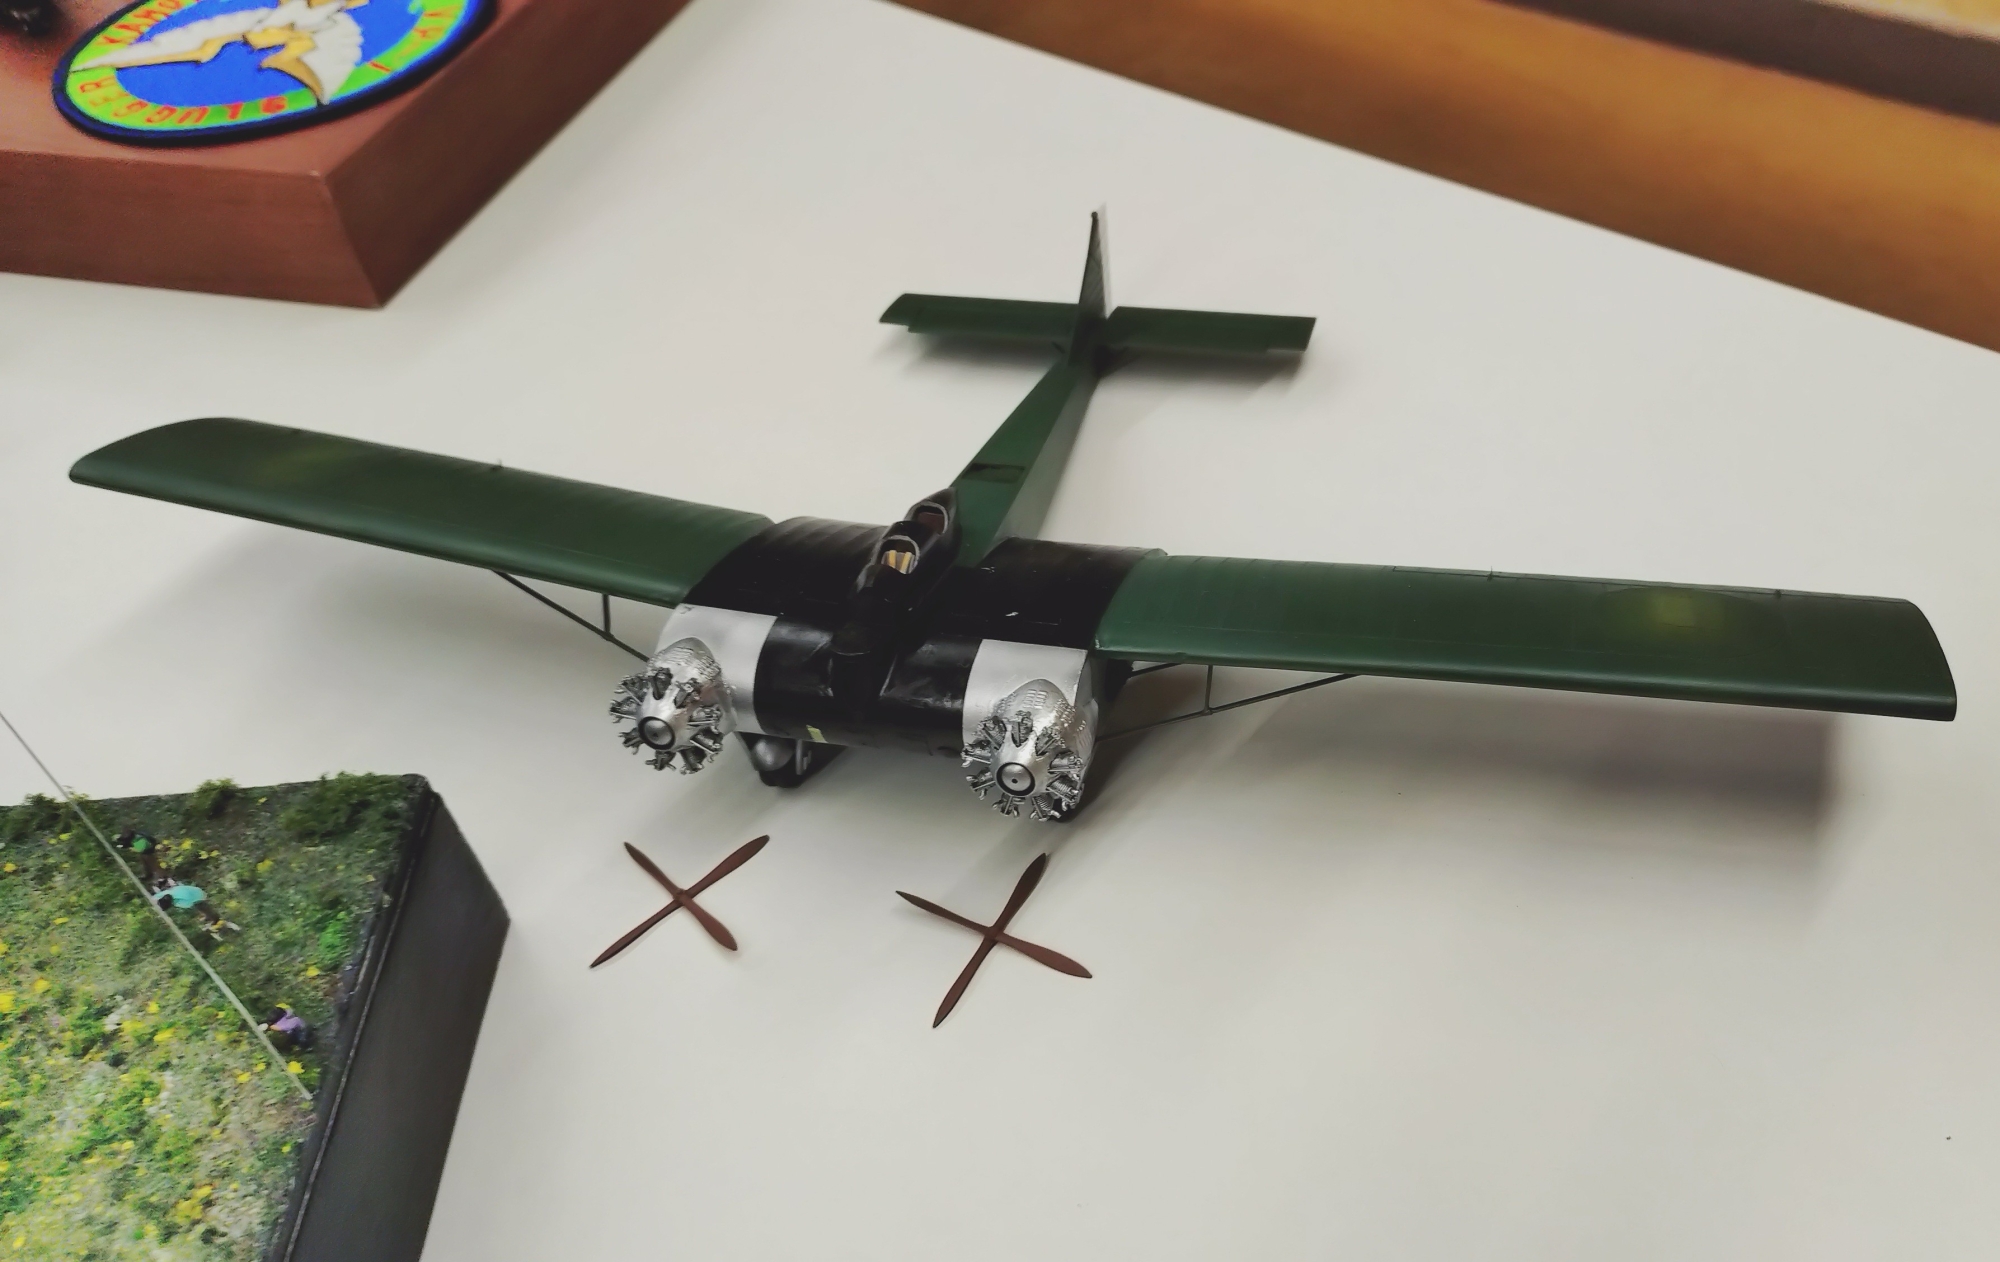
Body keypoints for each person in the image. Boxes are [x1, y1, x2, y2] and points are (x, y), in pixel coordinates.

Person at [152, 878, 239, 936]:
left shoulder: (169, 894)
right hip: (199, 893)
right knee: (202, 907)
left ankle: (216, 923)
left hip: (194, 899)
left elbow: (155, 899)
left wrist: (158, 904)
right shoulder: (174, 889)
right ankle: (214, 921)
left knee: (200, 907)